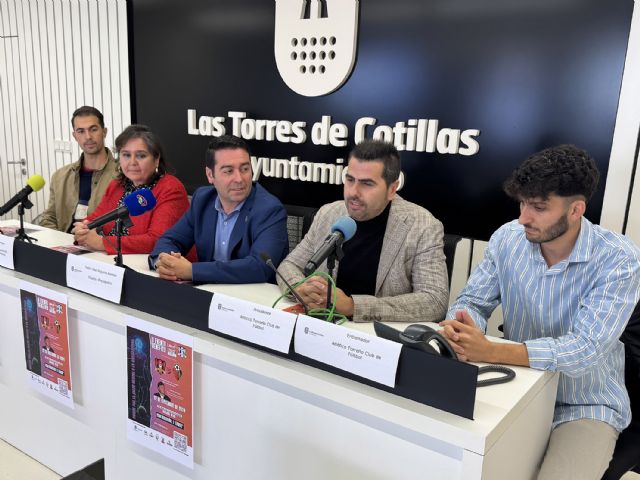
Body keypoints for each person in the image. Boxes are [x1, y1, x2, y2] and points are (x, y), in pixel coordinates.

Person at [439, 145, 640, 480]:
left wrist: (491, 350)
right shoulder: (507, 239)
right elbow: (472, 299)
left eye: (538, 207)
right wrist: (465, 321)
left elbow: (585, 349)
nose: (523, 218)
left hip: (583, 404)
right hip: (515, 387)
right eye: (522, 203)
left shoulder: (618, 258)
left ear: (576, 210)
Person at [277, 139, 449, 322]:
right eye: (350, 180)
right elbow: (289, 265)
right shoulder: (329, 213)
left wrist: (353, 306)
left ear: (392, 189)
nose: (353, 192)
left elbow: (435, 301)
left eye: (367, 184)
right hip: (322, 328)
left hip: (374, 340)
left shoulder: (423, 226)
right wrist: (299, 288)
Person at [149, 135, 288, 284]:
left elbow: (260, 268)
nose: (239, 179)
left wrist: (192, 271)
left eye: (245, 169)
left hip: (253, 297)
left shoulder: (269, 210)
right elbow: (170, 240)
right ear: (210, 175)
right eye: (228, 171)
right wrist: (163, 263)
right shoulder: (203, 199)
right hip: (209, 292)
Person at [72, 125, 189, 254]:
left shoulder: (170, 188)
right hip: (111, 260)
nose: (132, 162)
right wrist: (83, 228)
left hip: (157, 267)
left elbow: (158, 240)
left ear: (156, 160)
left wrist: (101, 243)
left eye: (141, 156)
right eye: (126, 155)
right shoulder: (117, 185)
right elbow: (96, 218)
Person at [39, 106, 118, 232]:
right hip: (64, 245)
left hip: (101, 247)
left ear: (104, 132)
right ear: (75, 136)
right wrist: (58, 243)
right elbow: (50, 217)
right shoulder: (60, 176)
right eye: (81, 131)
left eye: (93, 129)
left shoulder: (121, 175)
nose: (88, 137)